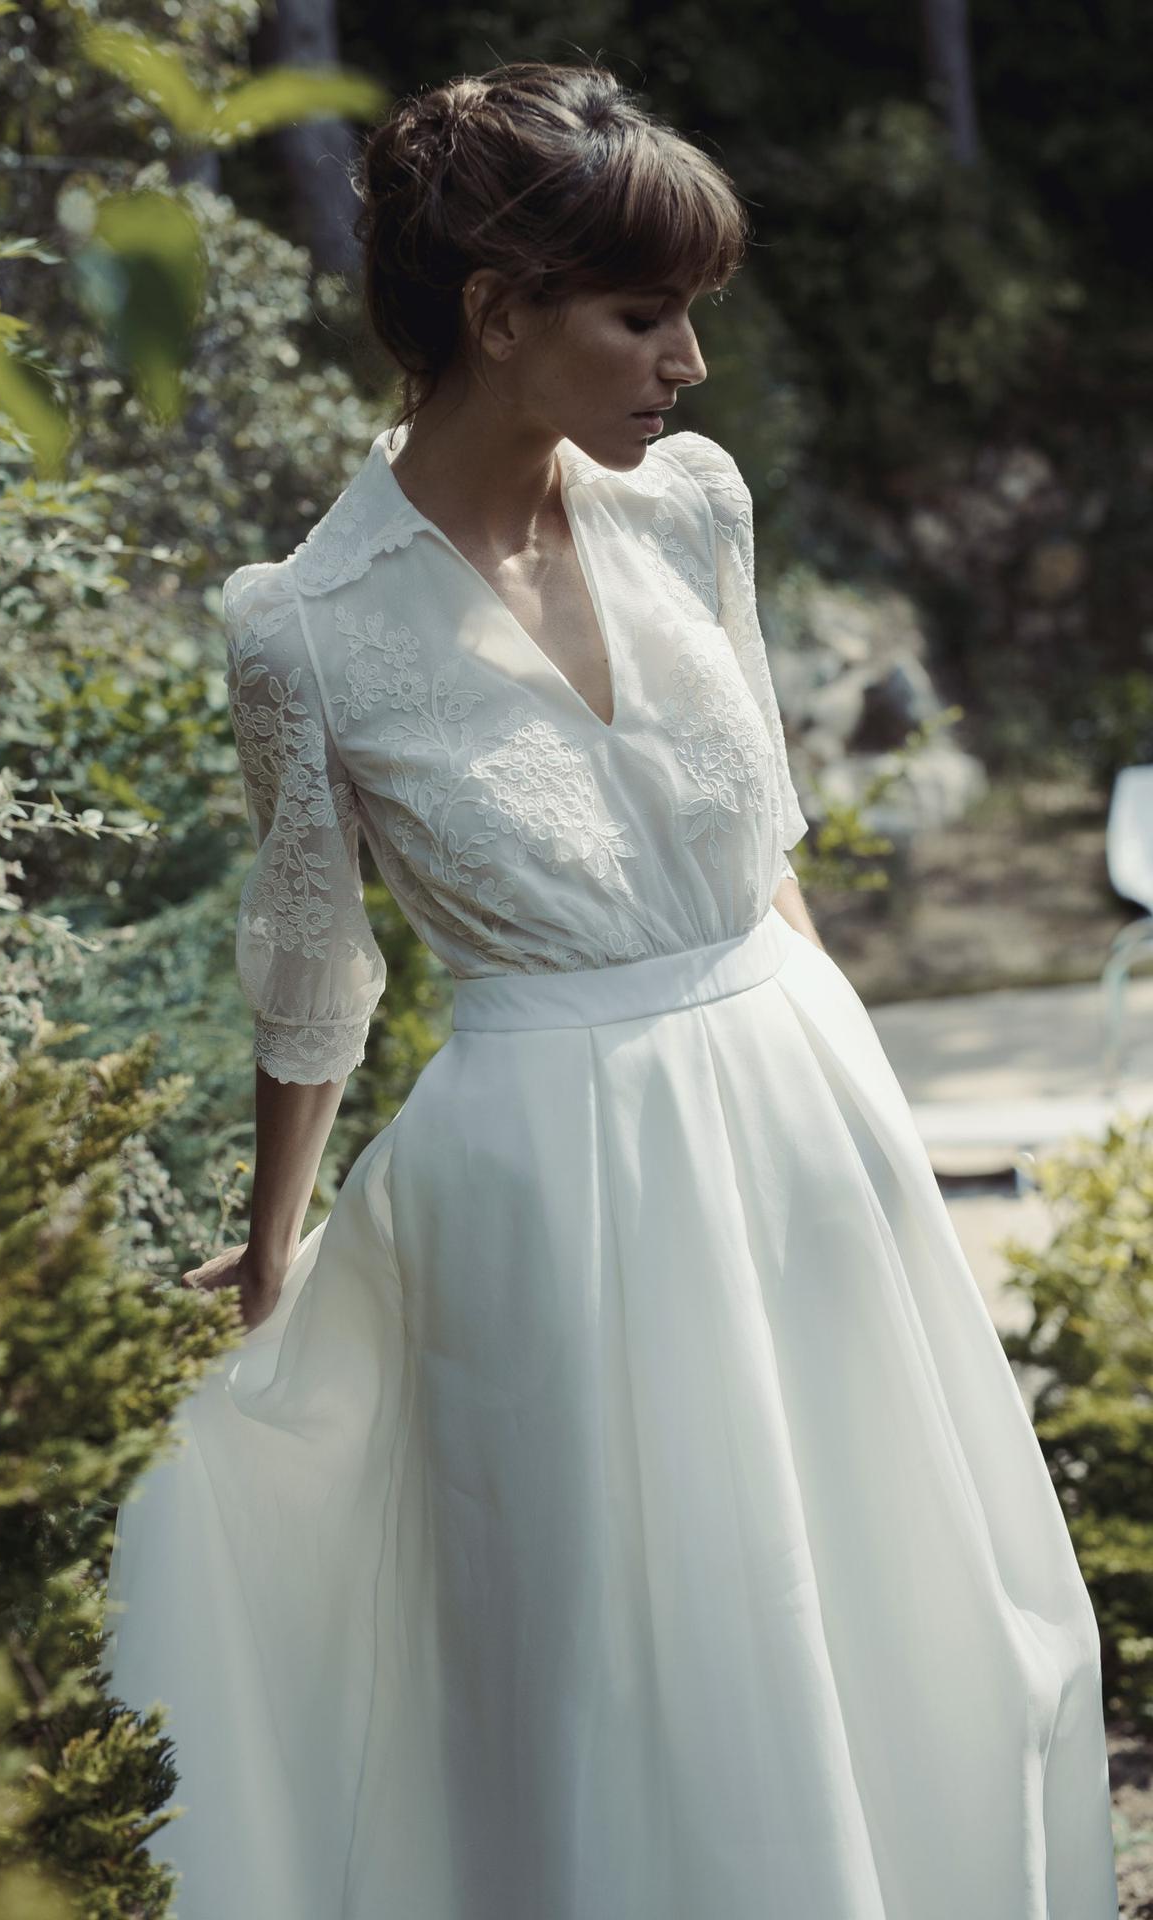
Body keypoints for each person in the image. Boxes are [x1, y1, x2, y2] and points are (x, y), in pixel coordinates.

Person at [102, 58, 1121, 1920]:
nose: (690, 366)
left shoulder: (693, 509)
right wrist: (269, 1245)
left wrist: (864, 1129)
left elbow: (769, 857)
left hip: (800, 1112)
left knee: (898, 1594)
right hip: (554, 1193)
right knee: (637, 1655)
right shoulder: (304, 627)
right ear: (500, 315)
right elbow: (315, 957)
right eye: (645, 316)